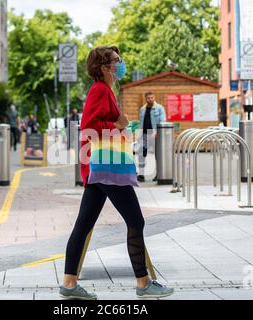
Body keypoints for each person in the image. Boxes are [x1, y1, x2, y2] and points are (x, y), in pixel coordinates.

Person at [59, 46, 174, 300]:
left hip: (98, 167)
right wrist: (117, 124)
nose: (120, 64)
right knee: (136, 220)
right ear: (104, 68)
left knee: (84, 224)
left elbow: (104, 122)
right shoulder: (100, 90)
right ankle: (143, 284)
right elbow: (89, 126)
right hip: (106, 166)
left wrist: (121, 124)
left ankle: (69, 283)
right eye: (116, 61)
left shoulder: (105, 90)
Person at [137, 92, 167, 183]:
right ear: (146, 98)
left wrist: (157, 132)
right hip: (144, 135)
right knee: (141, 154)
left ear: (154, 97)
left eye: (152, 97)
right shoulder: (142, 109)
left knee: (158, 155)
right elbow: (141, 122)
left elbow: (163, 121)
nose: (150, 99)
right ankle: (141, 175)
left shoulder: (160, 108)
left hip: (154, 135)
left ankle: (159, 174)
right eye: (148, 98)